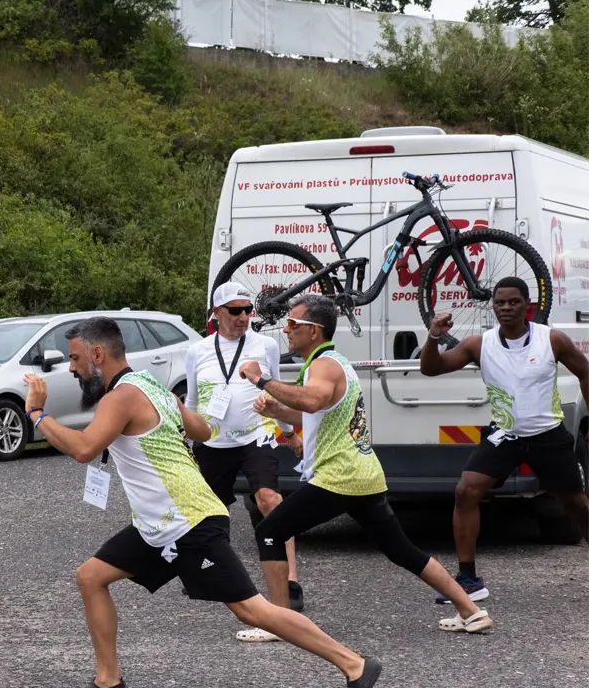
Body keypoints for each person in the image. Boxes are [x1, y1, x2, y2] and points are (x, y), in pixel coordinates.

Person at [24, 317, 382, 688]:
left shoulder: (122, 396)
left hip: (188, 521)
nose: (71, 368)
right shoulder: (151, 386)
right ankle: (108, 681)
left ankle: (355, 665)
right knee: (91, 576)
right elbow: (203, 431)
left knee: (252, 609)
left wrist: (39, 415)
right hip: (157, 525)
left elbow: (84, 449)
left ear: (97, 354)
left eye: (75, 359)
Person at [244, 297, 494, 633]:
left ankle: (279, 623)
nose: (286, 330)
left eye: (292, 324)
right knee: (401, 550)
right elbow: (318, 412)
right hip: (364, 474)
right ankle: (471, 611)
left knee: (271, 531)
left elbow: (313, 399)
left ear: (314, 331)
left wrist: (262, 380)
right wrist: (277, 411)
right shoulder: (334, 362)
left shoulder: (324, 365)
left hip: (340, 477)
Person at [419, 276, 589, 604]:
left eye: (513, 302)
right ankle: (468, 579)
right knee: (466, 491)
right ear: (492, 306)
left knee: (576, 505)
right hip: (505, 434)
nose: (506, 308)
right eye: (500, 303)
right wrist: (433, 336)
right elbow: (432, 368)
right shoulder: (479, 344)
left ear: (528, 307)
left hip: (547, 435)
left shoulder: (551, 340)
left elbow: (585, 371)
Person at [186, 281, 304, 644]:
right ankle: (217, 575)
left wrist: (288, 432)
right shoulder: (198, 351)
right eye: (235, 311)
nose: (243, 317)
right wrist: (187, 441)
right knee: (207, 512)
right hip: (213, 440)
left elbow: (275, 389)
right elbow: (190, 400)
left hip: (257, 435)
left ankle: (290, 582)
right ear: (217, 313)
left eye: (248, 310)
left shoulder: (264, 345)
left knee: (270, 500)